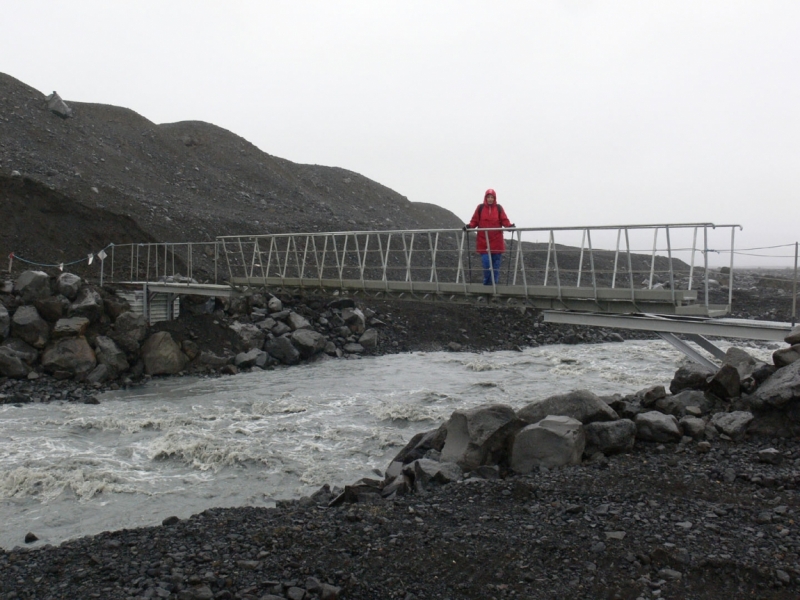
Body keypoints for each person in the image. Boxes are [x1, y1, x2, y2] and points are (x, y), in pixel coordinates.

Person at [464, 188, 515, 285]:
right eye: (488, 197)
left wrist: (509, 226)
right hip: (484, 242)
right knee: (487, 264)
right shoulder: (480, 208)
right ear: (485, 198)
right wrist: (469, 226)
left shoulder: (499, 208)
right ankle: (487, 285)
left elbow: (504, 220)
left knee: (495, 266)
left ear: (495, 198)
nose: (490, 199)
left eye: (492, 197)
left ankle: (493, 285)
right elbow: (475, 221)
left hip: (497, 241)